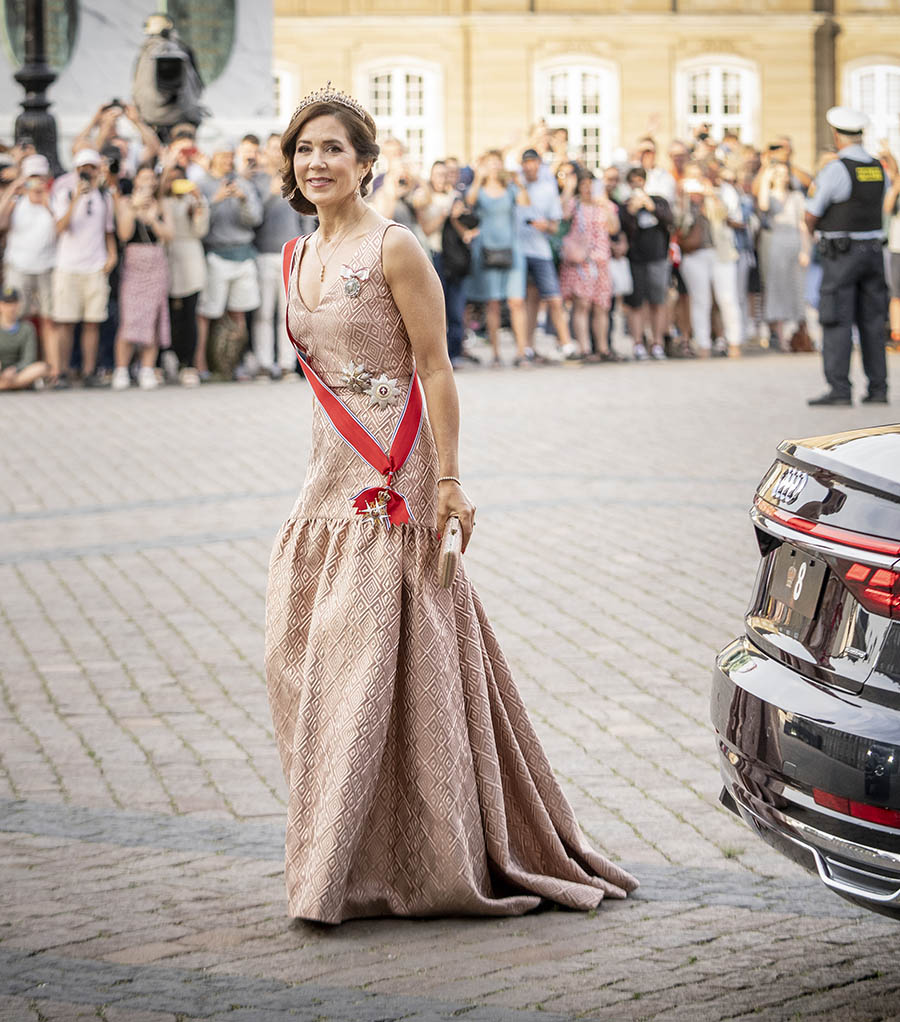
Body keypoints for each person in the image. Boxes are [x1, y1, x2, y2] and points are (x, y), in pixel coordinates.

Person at [265, 85, 638, 924]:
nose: (317, 163)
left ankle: (416, 857)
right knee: (309, 667)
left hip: (394, 477)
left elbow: (435, 367)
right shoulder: (291, 258)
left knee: (372, 668)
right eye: (304, 150)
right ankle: (353, 849)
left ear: (365, 163)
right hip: (326, 475)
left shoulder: (395, 248)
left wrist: (449, 480)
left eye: (334, 149)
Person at [805, 107, 889, 405]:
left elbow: (812, 212)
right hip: (873, 252)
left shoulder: (836, 168)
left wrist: (813, 232)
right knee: (872, 320)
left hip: (842, 254)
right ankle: (878, 388)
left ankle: (839, 389)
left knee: (837, 318)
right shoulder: (878, 167)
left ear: (837, 135)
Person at [194, 143, 264, 378]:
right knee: (207, 312)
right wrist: (214, 200)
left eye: (230, 156)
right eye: (223, 156)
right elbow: (198, 225)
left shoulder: (243, 183)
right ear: (213, 158)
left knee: (239, 311)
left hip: (243, 254)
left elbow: (255, 219)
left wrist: (243, 200)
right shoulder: (202, 185)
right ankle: (201, 362)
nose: (227, 161)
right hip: (216, 254)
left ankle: (234, 363)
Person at [50, 149, 117, 386]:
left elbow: (108, 231)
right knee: (65, 322)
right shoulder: (64, 192)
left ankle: (89, 372)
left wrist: (112, 255)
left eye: (92, 168)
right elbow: (60, 227)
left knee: (92, 322)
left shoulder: (104, 196)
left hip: (95, 266)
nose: (88, 173)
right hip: (68, 266)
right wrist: (77, 198)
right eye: (83, 169)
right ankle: (63, 372)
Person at [111, 165, 175, 390]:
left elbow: (169, 235)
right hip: (134, 263)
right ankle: (121, 369)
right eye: (144, 177)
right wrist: (134, 209)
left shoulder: (161, 203)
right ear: (136, 180)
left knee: (154, 319)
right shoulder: (125, 202)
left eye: (151, 178)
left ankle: (147, 368)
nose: (148, 182)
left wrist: (152, 221)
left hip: (156, 262)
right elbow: (124, 234)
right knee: (129, 318)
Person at [465, 150, 530, 365]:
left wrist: (518, 183)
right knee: (492, 303)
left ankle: (522, 352)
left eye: (497, 163)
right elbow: (470, 200)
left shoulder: (510, 188)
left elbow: (524, 203)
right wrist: (478, 177)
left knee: (516, 302)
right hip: (486, 250)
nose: (494, 166)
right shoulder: (480, 189)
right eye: (489, 162)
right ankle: (495, 353)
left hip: (512, 249)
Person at [251, 133, 305, 379]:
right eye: (272, 149)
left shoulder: (295, 179)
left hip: (291, 254)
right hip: (264, 253)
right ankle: (263, 363)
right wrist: (270, 194)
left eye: (280, 149)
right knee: (263, 312)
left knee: (287, 313)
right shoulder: (257, 181)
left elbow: (305, 217)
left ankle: (285, 364)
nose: (276, 154)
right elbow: (253, 218)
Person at [0, 154, 58, 378]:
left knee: (49, 320)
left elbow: (64, 231)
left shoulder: (53, 200)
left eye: (40, 177)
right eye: (32, 177)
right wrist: (13, 188)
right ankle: (20, 368)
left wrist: (48, 206)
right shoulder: (17, 201)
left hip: (47, 267)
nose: (37, 182)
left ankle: (52, 373)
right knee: (18, 318)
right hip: (19, 266)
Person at [518, 148, 574, 356]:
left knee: (554, 298)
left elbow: (556, 226)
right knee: (528, 300)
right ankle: (528, 346)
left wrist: (545, 226)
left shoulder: (547, 188)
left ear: (539, 164)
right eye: (526, 162)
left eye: (533, 162)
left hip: (541, 251)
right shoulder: (516, 184)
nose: (529, 166)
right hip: (520, 250)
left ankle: (567, 344)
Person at [559, 170, 620, 360]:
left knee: (601, 306)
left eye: (590, 184)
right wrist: (568, 188)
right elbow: (562, 214)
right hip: (581, 261)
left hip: (601, 260)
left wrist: (605, 205)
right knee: (582, 305)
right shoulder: (574, 204)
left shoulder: (605, 205)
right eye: (583, 185)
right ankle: (584, 348)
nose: (587, 189)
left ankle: (602, 348)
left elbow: (614, 228)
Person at [161, 165, 209, 385]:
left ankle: (189, 363)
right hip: (168, 258)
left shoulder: (194, 200)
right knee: (170, 313)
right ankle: (168, 356)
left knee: (191, 312)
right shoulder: (162, 201)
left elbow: (201, 230)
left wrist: (198, 205)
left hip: (190, 258)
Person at [620, 165, 672, 360]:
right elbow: (624, 229)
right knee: (636, 303)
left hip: (657, 257)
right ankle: (638, 343)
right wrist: (631, 212)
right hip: (636, 259)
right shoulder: (625, 205)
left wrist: (651, 206)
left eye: (640, 180)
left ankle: (657, 342)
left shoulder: (658, 200)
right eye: (633, 181)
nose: (637, 185)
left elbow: (669, 220)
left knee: (658, 301)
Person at [757, 161, 810, 350]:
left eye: (784, 173)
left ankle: (797, 333)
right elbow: (763, 205)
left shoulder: (796, 196)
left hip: (794, 242)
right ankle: (779, 337)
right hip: (777, 243)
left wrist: (805, 249)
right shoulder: (770, 196)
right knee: (777, 287)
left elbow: (802, 224)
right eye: (778, 174)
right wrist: (766, 176)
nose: (782, 177)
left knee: (796, 287)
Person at [0, 285, 49, 391]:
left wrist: (15, 369)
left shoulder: (27, 328)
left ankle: (4, 386)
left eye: (14, 303)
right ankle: (14, 385)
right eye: (7, 303)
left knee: (42, 368)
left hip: (17, 372)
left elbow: (29, 358)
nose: (11, 307)